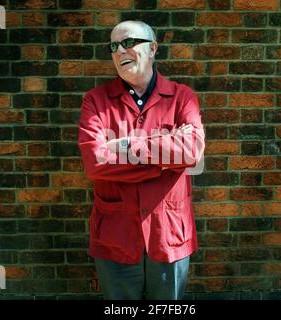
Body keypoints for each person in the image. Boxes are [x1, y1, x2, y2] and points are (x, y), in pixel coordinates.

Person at [78, 20, 205, 300]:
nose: (120, 50)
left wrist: (126, 145)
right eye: (113, 46)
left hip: (168, 233)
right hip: (116, 235)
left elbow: (192, 152)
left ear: (153, 48)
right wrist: (165, 161)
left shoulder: (182, 98)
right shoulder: (96, 101)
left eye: (129, 42)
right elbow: (95, 161)